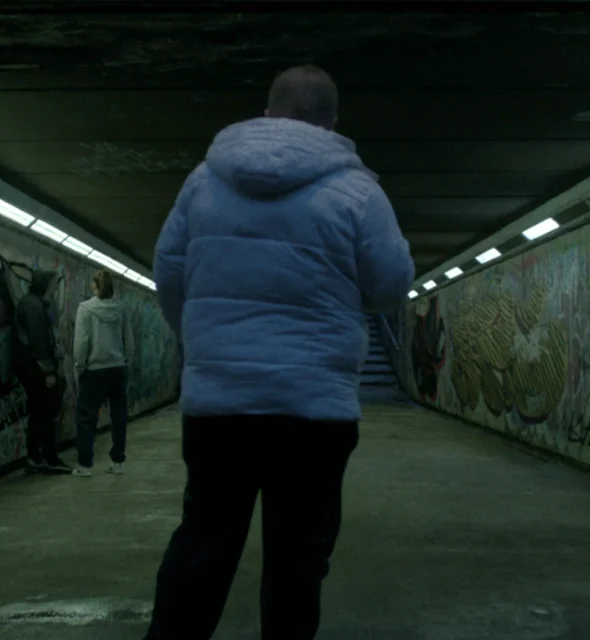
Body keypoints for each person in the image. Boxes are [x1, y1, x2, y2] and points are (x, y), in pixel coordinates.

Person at [145, 65, 415, 639]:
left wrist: (201, 344)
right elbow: (392, 284)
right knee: (297, 557)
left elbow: (168, 271)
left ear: (267, 113)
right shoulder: (359, 191)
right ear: (332, 123)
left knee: (203, 543)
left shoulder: (203, 182)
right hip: (314, 407)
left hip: (219, 404)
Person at [71, 269, 133, 477]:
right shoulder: (121, 309)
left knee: (86, 417)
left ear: (94, 287)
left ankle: (85, 465)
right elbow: (128, 339)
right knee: (119, 416)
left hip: (94, 370)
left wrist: (79, 366)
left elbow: (82, 342)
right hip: (117, 369)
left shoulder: (85, 309)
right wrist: (126, 360)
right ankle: (117, 462)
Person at [13, 269, 72, 475]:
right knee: (46, 410)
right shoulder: (34, 307)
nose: (55, 289)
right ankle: (48, 457)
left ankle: (35, 458)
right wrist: (48, 372)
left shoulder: (33, 303)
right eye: (54, 285)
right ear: (45, 285)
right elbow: (39, 341)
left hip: (29, 365)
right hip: (34, 367)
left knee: (38, 411)